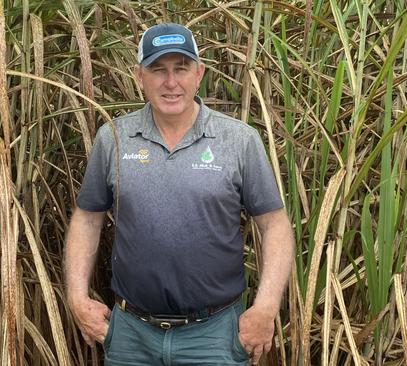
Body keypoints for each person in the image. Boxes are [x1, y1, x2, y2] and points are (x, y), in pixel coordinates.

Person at [65, 23, 294, 365]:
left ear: (199, 73)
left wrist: (265, 308)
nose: (171, 83)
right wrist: (77, 297)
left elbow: (275, 225)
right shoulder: (113, 138)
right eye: (158, 70)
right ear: (139, 76)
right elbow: (87, 218)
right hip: (132, 337)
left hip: (215, 336)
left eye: (181, 69)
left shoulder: (238, 141)